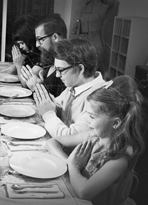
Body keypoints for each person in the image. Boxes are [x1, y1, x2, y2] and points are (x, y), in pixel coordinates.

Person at [55, 75, 144, 205]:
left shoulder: (119, 160)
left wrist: (73, 166)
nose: (87, 121)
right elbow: (52, 142)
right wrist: (69, 162)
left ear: (116, 123)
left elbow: (85, 192)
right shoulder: (93, 136)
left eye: (91, 116)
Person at [33, 38, 107, 138]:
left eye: (61, 70)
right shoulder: (75, 85)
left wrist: (48, 114)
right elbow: (56, 106)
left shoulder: (99, 99)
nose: (57, 75)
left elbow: (70, 137)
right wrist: (44, 100)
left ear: (80, 69)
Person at [20, 13, 66, 97]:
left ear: (55, 37)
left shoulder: (66, 66)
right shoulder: (51, 60)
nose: (37, 45)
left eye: (40, 39)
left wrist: (37, 88)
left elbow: (59, 108)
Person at [10, 15, 41, 88]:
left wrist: (19, 64)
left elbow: (25, 83)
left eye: (22, 43)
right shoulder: (29, 53)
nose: (21, 47)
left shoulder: (41, 57)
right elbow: (11, 71)